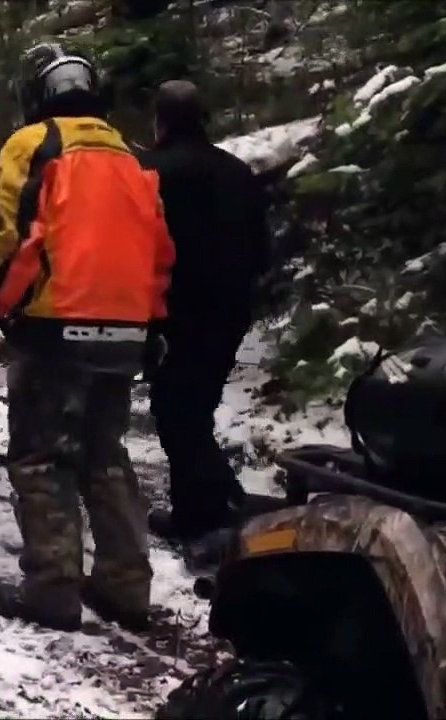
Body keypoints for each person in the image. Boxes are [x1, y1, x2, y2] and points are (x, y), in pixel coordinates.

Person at [0, 44, 175, 632]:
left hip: (55, 324)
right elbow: (158, 253)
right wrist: (153, 322)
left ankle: (53, 588)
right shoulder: (132, 158)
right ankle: (127, 585)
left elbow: (10, 239)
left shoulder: (32, 145)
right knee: (104, 455)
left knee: (41, 457)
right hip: (125, 327)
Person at [135, 80, 273, 543]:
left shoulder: (151, 171)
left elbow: (140, 245)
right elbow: (262, 248)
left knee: (177, 412)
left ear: (161, 123)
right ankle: (215, 499)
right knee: (194, 406)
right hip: (232, 307)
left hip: (178, 309)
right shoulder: (237, 171)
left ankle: (203, 514)